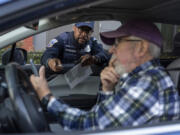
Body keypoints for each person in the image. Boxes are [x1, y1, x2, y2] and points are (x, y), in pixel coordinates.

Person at [30, 20, 180, 131]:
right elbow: (108, 118)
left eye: (118, 43)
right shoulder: (141, 78)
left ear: (141, 48)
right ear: (74, 28)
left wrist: (46, 97)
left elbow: (90, 125)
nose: (111, 51)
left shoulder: (147, 85)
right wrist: (107, 90)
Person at [41, 21, 108, 72]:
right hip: (60, 80)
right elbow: (46, 55)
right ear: (74, 28)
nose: (84, 34)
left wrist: (94, 59)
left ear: (91, 32)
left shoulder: (92, 42)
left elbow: (104, 54)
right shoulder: (62, 40)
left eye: (87, 31)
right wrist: (50, 61)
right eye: (81, 29)